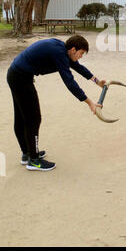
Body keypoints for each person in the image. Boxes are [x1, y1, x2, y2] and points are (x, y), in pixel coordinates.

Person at [7, 35, 105, 171]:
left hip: (17, 75)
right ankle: (34, 160)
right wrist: (89, 102)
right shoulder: (59, 53)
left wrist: (97, 81)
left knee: (23, 117)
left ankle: (28, 154)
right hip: (20, 79)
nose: (81, 56)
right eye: (81, 53)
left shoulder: (62, 50)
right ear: (73, 49)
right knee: (33, 118)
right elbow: (69, 82)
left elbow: (78, 67)